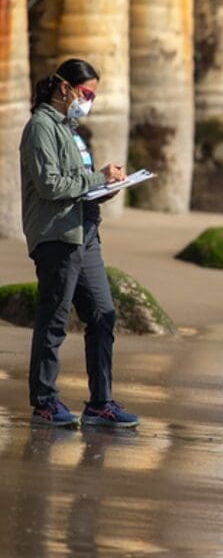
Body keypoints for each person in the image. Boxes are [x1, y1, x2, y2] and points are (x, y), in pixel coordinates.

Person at [20, 58, 140, 429]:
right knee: (54, 321)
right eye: (86, 93)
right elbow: (50, 185)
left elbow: (78, 183)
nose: (88, 101)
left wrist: (107, 186)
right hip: (57, 235)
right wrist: (95, 179)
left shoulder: (71, 130)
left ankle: (100, 402)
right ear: (64, 88)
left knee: (104, 315)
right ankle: (44, 402)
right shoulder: (40, 127)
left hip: (85, 233)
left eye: (92, 95)